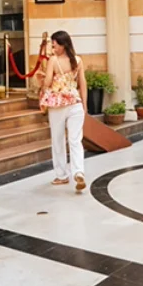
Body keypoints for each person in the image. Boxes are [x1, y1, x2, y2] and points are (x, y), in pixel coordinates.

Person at [39, 31, 88, 193]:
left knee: (58, 140)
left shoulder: (53, 61)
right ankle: (78, 172)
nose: (53, 48)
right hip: (76, 103)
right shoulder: (78, 61)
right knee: (75, 140)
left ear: (63, 44)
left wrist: (42, 83)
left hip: (58, 103)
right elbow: (82, 84)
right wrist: (85, 105)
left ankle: (61, 175)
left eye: (55, 45)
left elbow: (47, 82)